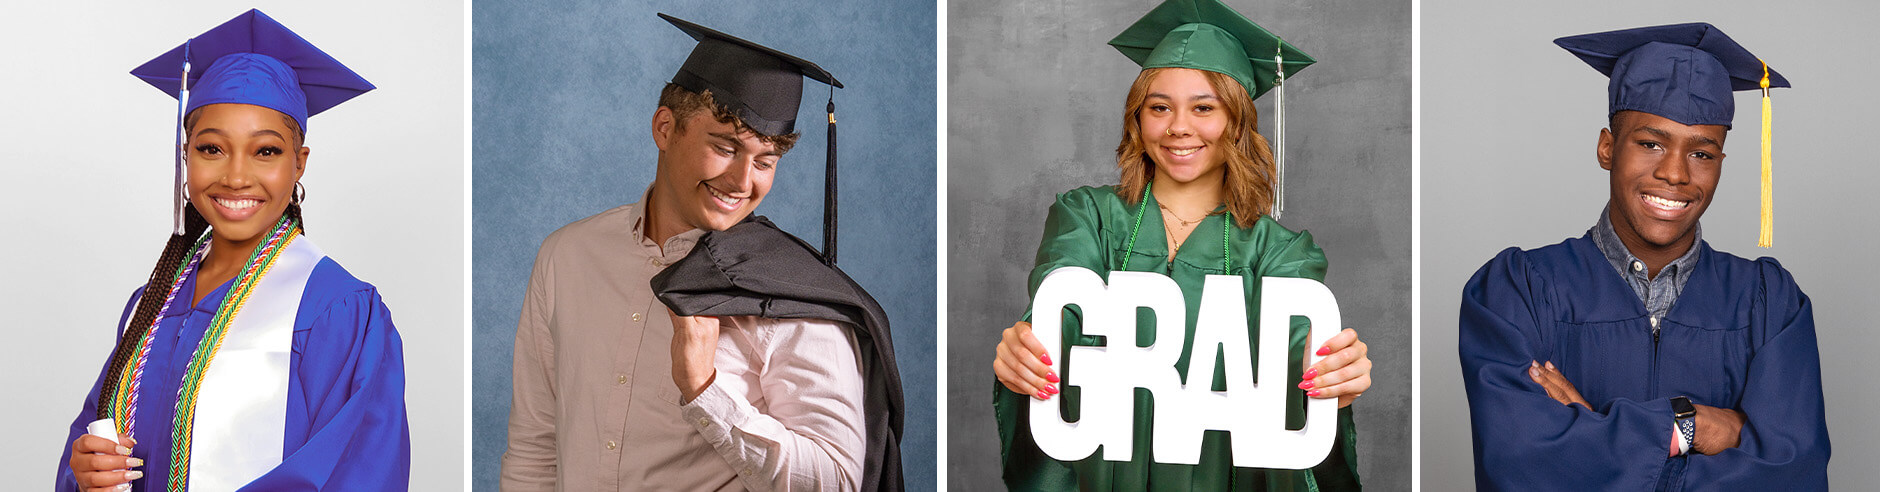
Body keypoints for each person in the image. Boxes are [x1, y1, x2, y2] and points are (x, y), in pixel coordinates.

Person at [500, 13, 904, 492]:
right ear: (666, 128)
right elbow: (536, 444)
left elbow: (836, 480)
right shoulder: (567, 257)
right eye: (726, 147)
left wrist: (704, 389)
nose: (742, 182)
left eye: (766, 160)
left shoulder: (790, 297)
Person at [989, 0, 1373, 489]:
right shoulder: (1088, 218)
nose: (1178, 127)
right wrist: (1026, 346)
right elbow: (1058, 308)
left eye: (1204, 108)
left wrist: (1332, 377)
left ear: (1238, 120)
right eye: (1160, 107)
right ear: (1138, 118)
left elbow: (1299, 348)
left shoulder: (1280, 253)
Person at [1458, 23, 1828, 490]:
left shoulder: (1771, 304)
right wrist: (1690, 426)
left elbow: (1793, 476)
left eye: (1702, 153)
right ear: (1607, 148)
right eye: (1650, 143)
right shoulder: (1518, 291)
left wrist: (1592, 440)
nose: (1674, 173)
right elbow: (1518, 466)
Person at [57, 9, 410, 492]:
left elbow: (360, 475)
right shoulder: (151, 304)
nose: (236, 176)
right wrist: (86, 470)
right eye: (211, 149)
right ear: (186, 156)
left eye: (266, 151)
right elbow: (90, 436)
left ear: (299, 163)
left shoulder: (337, 309)